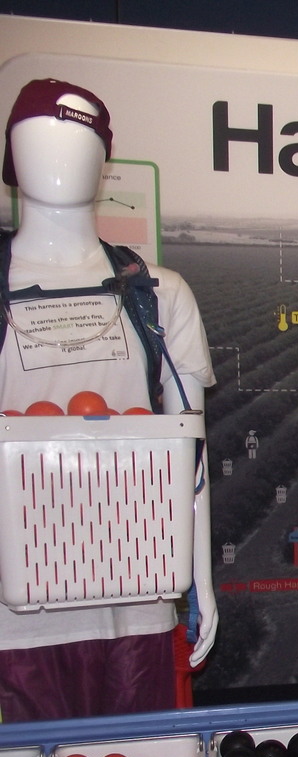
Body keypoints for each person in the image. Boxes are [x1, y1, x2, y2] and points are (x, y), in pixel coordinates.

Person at [0, 78, 217, 722]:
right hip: (15, 619)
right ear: (11, 158)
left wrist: (200, 580)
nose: (59, 155)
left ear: (104, 163)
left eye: (80, 141)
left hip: (137, 602)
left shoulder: (159, 294)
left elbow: (191, 452)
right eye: (38, 138)